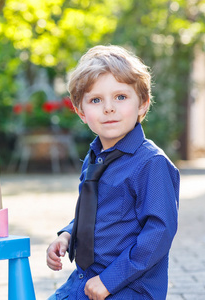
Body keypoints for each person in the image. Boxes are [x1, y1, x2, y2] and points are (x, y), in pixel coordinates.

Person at [46, 45, 180, 300]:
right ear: (81, 112)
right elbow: (94, 212)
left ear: (142, 104)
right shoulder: (94, 157)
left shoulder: (151, 163)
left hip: (129, 286)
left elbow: (160, 232)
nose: (109, 108)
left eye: (120, 97)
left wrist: (110, 280)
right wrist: (67, 234)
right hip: (87, 279)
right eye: (96, 100)